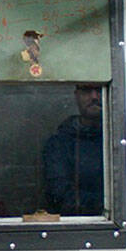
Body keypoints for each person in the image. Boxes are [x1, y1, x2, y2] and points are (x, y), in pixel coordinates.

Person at [42, 83, 105, 216]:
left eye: (100, 89)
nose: (94, 97)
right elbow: (60, 195)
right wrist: (105, 203)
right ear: (76, 96)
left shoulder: (119, 140)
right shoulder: (59, 145)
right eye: (86, 90)